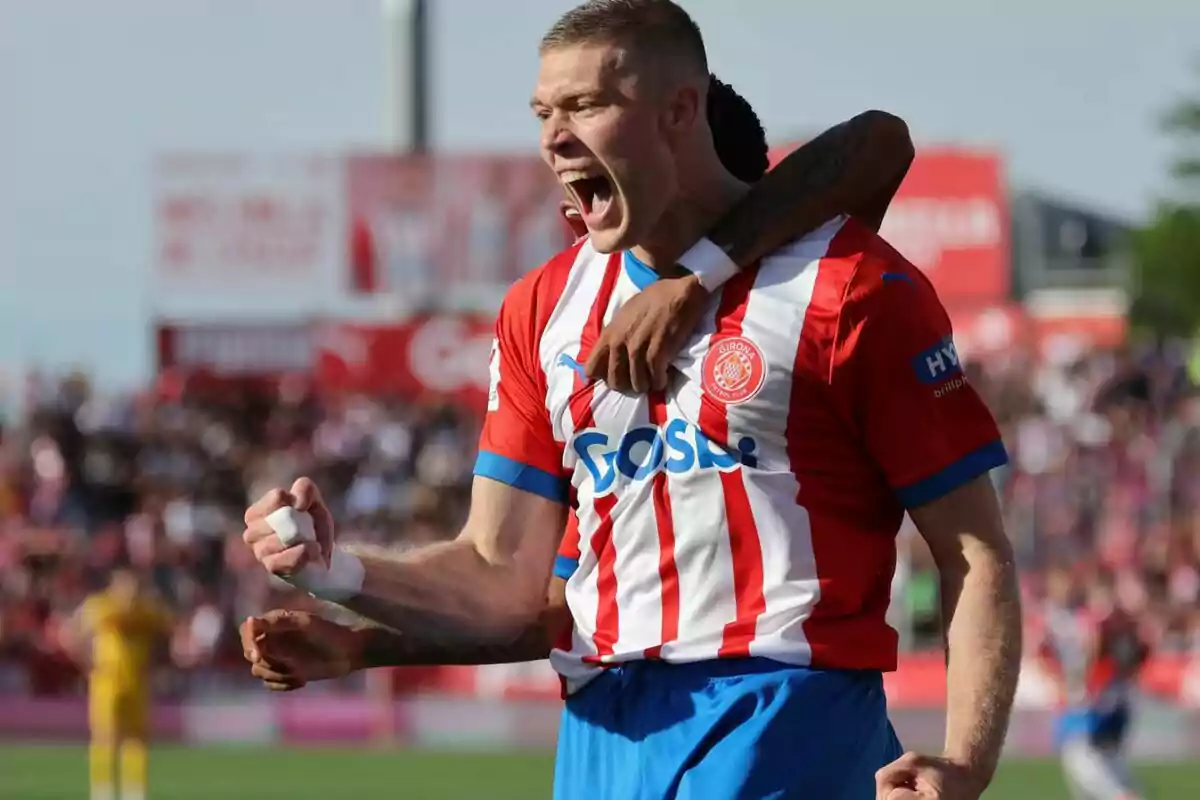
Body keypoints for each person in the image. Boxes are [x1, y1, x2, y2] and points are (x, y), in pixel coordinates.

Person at [241, 2, 1021, 798]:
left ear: (681, 110)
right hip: (602, 732)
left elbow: (973, 549)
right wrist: (337, 574)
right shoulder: (542, 310)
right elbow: (503, 579)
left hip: (783, 712)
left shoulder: (849, 285)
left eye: (585, 105)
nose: (554, 134)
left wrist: (966, 760)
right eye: (544, 111)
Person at [240, 75, 907, 681]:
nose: (580, 224)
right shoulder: (558, 330)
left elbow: (879, 141)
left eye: (607, 186)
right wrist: (356, 619)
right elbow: (548, 608)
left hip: (787, 708)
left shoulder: (804, 283)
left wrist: (693, 276)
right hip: (618, 736)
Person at [64, 568, 174, 800]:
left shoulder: (147, 610)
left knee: (137, 739)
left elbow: (169, 630)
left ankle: (134, 792)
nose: (129, 591)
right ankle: (102, 791)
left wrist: (162, 663)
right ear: (113, 585)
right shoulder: (101, 606)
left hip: (137, 681)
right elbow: (74, 632)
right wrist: (87, 663)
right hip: (107, 681)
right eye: (124, 585)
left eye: (133, 585)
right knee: (105, 736)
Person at [1045, 574, 1149, 800]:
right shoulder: (1121, 622)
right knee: (1103, 759)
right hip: (1110, 694)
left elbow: (1093, 648)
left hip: (1093, 695)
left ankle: (1122, 795)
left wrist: (1080, 682)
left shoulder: (1098, 622)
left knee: (1079, 757)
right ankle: (1125, 793)